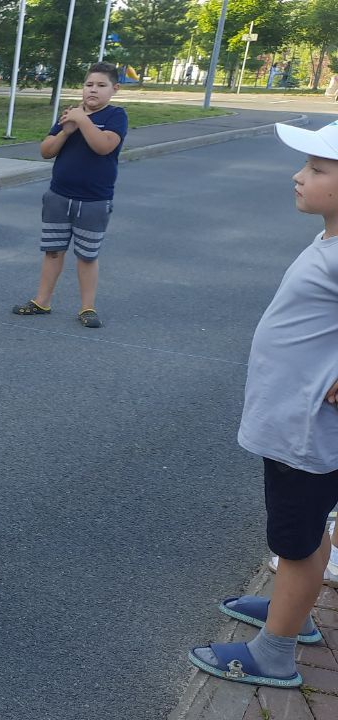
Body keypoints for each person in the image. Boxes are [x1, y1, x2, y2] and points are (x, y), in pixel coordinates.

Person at [188, 119, 338, 689]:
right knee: (307, 532)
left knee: (296, 543)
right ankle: (288, 613)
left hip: (305, 429)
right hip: (297, 420)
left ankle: (274, 652)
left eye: (318, 170)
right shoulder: (331, 237)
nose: (299, 177)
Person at [11, 62, 127, 329]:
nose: (93, 91)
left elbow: (103, 146)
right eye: (89, 85)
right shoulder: (70, 115)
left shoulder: (115, 116)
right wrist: (66, 130)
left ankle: (87, 307)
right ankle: (42, 301)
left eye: (101, 85)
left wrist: (83, 120)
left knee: (87, 255)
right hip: (59, 196)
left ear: (114, 89)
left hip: (94, 200)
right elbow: (46, 150)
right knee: (52, 251)